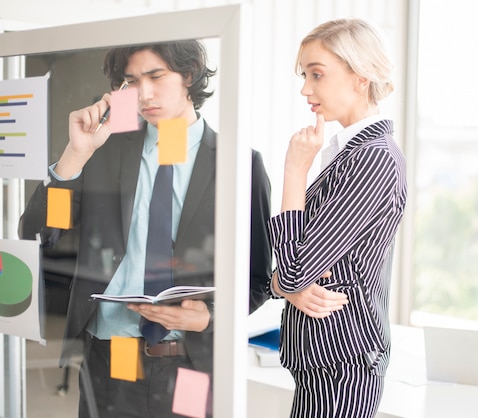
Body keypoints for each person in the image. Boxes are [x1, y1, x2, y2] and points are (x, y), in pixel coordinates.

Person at [19, 40, 271, 418]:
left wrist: (210, 315)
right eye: (131, 81)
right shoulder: (104, 152)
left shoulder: (240, 164)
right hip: (115, 350)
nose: (144, 94)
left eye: (155, 76)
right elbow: (39, 232)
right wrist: (75, 156)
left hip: (190, 358)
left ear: (189, 76)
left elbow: (258, 278)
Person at [268, 18, 407, 418]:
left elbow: (292, 272)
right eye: (304, 75)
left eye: (317, 74)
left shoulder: (373, 159)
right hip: (323, 365)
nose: (305, 89)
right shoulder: (346, 155)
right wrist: (285, 282)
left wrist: (294, 171)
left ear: (360, 76)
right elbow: (288, 273)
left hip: (343, 366)